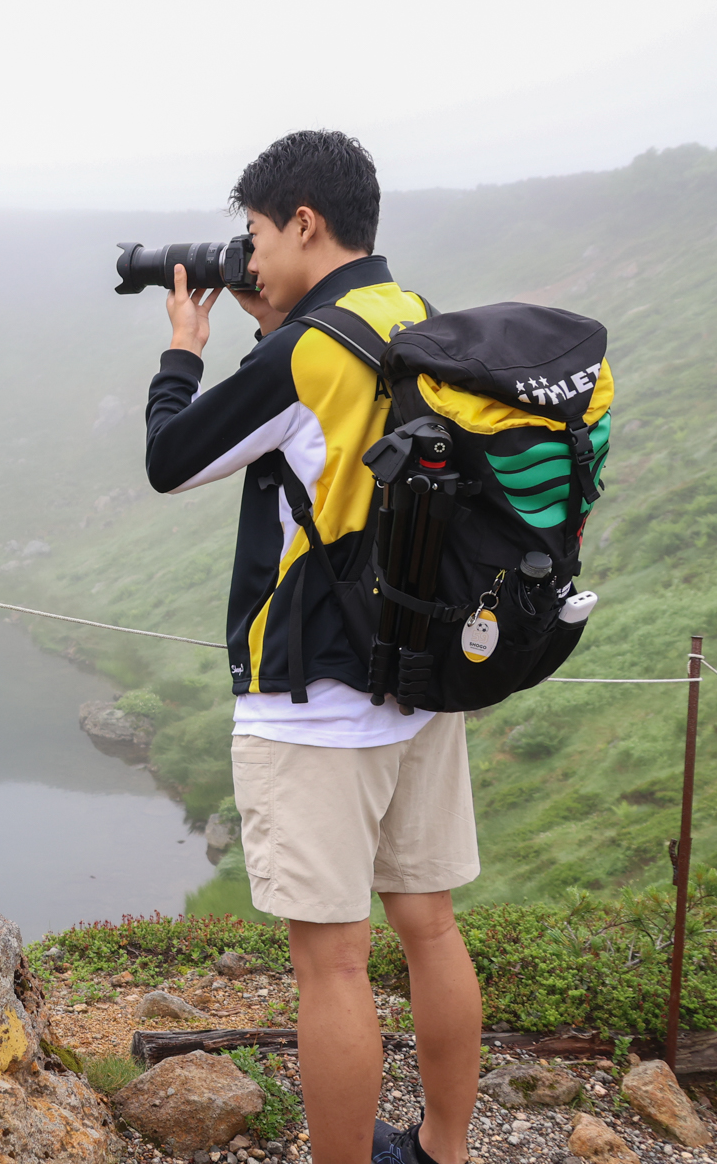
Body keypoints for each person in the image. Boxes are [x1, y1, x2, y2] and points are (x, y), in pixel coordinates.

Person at [143, 130, 481, 1164]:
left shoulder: (303, 352)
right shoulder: (414, 316)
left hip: (316, 699)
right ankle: (445, 1149)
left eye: (253, 232)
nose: (244, 254)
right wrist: (277, 319)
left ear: (302, 221)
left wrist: (184, 350)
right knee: (428, 923)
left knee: (331, 965)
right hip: (420, 678)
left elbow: (171, 458)